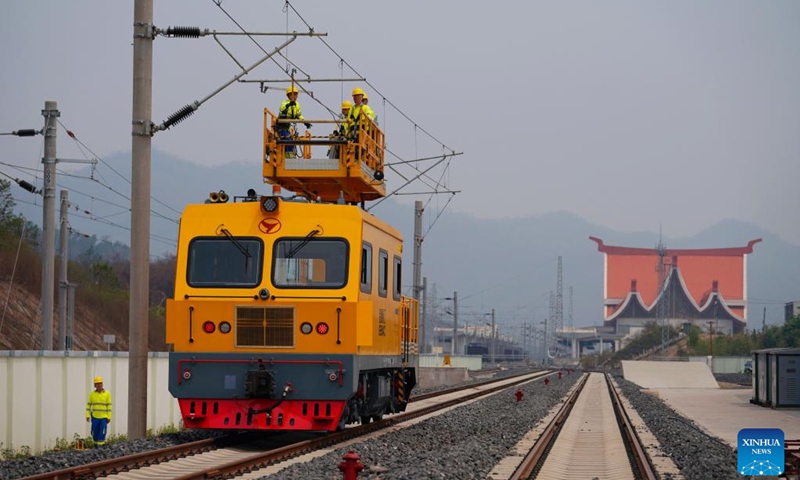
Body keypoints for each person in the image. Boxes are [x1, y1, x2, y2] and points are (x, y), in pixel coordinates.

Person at [278, 85, 312, 158]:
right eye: (293, 94)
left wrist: (305, 122)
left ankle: (290, 157)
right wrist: (289, 105)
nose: (295, 96)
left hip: (288, 127)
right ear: (288, 95)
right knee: (287, 142)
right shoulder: (284, 103)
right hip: (282, 127)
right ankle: (288, 159)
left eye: (296, 94)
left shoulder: (297, 105)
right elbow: (282, 110)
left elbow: (299, 115)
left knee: (292, 142)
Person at [86, 376, 112, 446]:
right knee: (95, 432)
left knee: (102, 432)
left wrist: (109, 417)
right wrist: (87, 415)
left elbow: (109, 406)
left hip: (104, 417)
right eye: (97, 383)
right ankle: (95, 446)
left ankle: (100, 447)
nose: (99, 385)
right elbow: (88, 405)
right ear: (95, 385)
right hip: (95, 417)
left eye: (100, 383)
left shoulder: (107, 394)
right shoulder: (92, 394)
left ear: (102, 384)